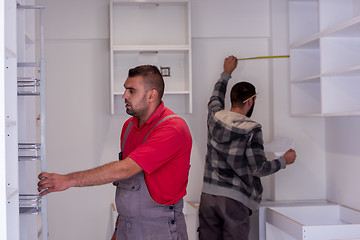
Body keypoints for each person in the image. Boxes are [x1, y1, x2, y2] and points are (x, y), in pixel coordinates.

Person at [38, 65, 192, 240]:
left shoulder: (173, 129)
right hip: (127, 226)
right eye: (125, 89)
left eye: (131, 91)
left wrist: (68, 180)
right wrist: (119, 230)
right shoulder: (129, 128)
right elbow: (129, 187)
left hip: (160, 229)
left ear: (152, 95)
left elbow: (125, 169)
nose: (124, 95)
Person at [198, 55, 296, 240]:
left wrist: (226, 73)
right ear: (251, 101)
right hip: (235, 201)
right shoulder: (252, 129)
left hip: (208, 197)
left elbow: (215, 98)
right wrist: (284, 161)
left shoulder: (214, 117)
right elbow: (259, 168)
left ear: (233, 99)